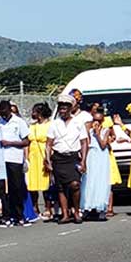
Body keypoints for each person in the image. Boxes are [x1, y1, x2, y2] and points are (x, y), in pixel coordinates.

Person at [45, 94, 88, 224]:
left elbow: (84, 142)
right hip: (58, 157)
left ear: (70, 108)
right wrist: (48, 160)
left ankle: (76, 211)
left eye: (65, 108)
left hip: (73, 157)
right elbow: (48, 144)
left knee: (75, 185)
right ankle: (65, 214)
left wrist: (83, 160)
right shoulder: (54, 124)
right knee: (61, 187)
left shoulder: (78, 122)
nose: (63, 111)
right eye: (61, 108)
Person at [0, 100, 31, 227]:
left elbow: (26, 141)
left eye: (5, 112)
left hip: (15, 158)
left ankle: (19, 216)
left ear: (9, 110)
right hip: (1, 159)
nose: (3, 115)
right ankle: (6, 216)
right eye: (1, 112)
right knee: (3, 189)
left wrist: (10, 143)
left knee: (17, 187)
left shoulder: (19, 122)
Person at [80, 107, 114, 220]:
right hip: (91, 155)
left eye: (99, 121)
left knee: (100, 181)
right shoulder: (88, 131)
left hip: (101, 156)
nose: (96, 123)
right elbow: (86, 143)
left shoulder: (105, 130)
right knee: (89, 180)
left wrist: (98, 133)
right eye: (95, 120)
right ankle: (87, 207)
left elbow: (103, 145)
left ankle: (101, 208)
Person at [27, 103, 55, 219]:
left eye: (35, 111)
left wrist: (49, 158)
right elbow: (27, 142)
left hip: (44, 155)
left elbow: (52, 142)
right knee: (32, 183)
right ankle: (35, 207)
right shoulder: (31, 126)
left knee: (46, 183)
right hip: (33, 156)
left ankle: (48, 208)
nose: (32, 114)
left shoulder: (50, 125)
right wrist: (26, 157)